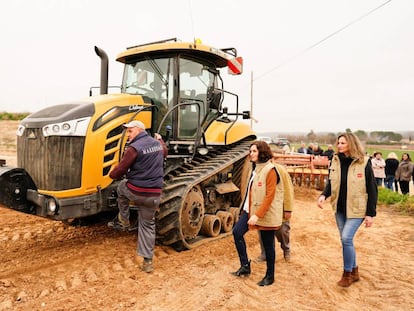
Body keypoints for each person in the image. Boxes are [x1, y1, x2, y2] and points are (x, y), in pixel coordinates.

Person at [317, 132, 377, 288]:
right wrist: (324, 195)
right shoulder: (335, 160)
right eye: (338, 143)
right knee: (347, 242)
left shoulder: (363, 162)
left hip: (357, 209)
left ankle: (347, 274)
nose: (339, 145)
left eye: (343, 143)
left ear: (351, 143)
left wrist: (370, 214)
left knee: (346, 239)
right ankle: (355, 271)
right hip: (339, 208)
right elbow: (331, 182)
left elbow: (372, 189)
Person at [107, 120, 167, 273]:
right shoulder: (157, 144)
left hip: (136, 192)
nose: (128, 135)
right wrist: (160, 139)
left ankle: (124, 220)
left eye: (130, 131)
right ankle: (148, 261)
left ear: (139, 130)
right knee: (147, 225)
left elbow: (120, 170)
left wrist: (111, 174)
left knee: (121, 188)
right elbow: (164, 152)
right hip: (153, 195)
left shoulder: (133, 148)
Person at [231, 141, 283, 286]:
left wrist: (258, 215)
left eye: (254, 151)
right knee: (237, 233)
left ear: (262, 152)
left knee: (268, 245)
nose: (251, 153)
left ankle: (270, 276)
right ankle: (245, 266)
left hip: (264, 214)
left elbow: (270, 195)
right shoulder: (255, 170)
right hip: (249, 211)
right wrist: (246, 209)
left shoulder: (270, 170)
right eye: (251, 151)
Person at [257, 149, 294, 263]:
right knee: (263, 232)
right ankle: (265, 254)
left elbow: (288, 190)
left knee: (282, 231)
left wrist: (288, 209)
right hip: (264, 207)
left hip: (279, 208)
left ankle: (286, 250)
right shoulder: (259, 171)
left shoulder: (280, 170)